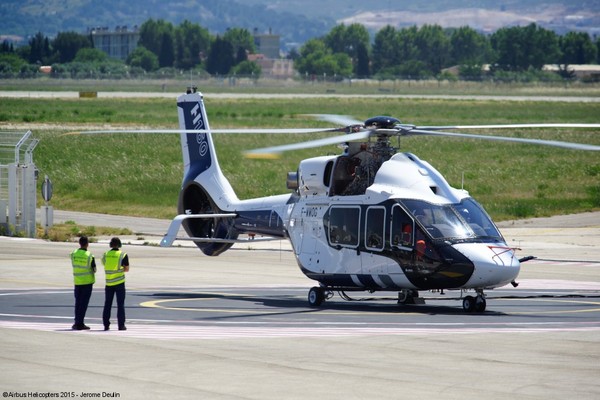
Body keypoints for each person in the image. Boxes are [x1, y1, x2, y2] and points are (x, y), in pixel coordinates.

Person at [102, 237, 129, 331]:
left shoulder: (106, 254)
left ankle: (106, 325)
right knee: (120, 304)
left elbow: (104, 264)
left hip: (109, 282)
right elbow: (127, 269)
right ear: (119, 244)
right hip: (119, 282)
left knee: (107, 304)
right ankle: (121, 325)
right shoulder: (123, 254)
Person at [70, 236, 96, 330]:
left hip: (77, 281)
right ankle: (79, 323)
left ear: (79, 243)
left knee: (77, 303)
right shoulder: (89, 255)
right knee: (83, 304)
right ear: (87, 244)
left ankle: (76, 321)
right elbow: (94, 269)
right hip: (87, 282)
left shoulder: (73, 253)